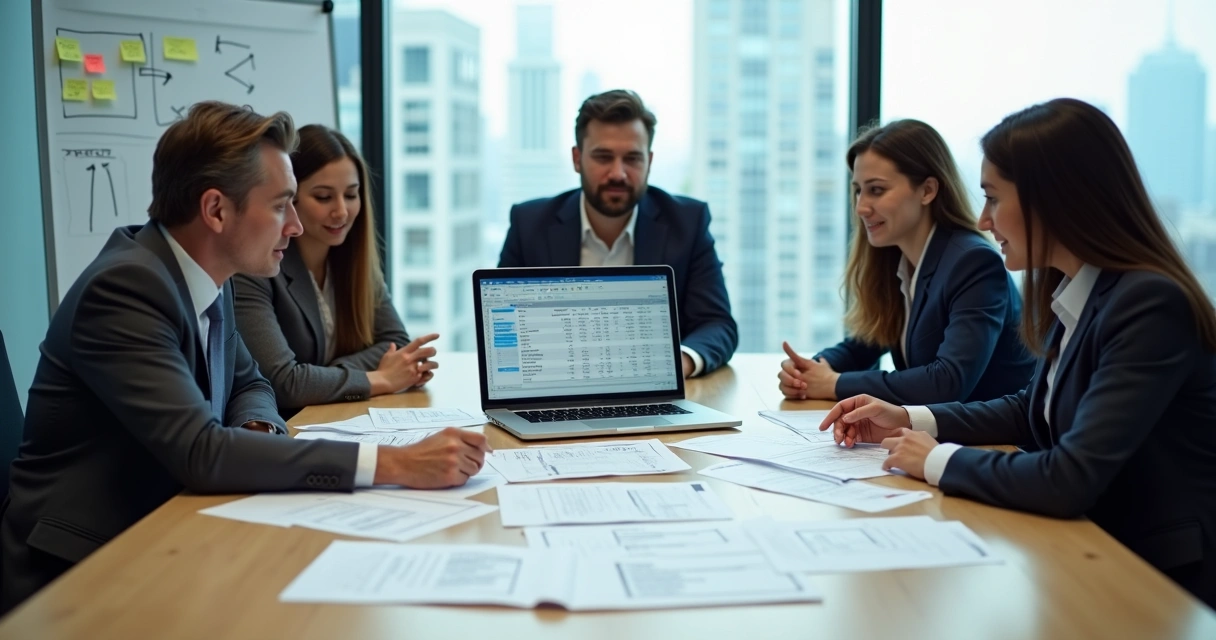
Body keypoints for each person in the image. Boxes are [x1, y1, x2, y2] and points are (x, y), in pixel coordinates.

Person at [0, 102, 489, 612]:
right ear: (215, 210)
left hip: (173, 525)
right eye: (282, 205)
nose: (297, 226)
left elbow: (252, 385)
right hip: (81, 567)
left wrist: (255, 435)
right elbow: (203, 452)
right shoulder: (127, 287)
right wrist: (398, 463)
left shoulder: (209, 276)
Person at [819, 98, 1216, 607]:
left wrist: (939, 459)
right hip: (1084, 548)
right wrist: (908, 418)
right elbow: (1030, 411)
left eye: (992, 198)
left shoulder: (1149, 304)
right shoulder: (1080, 291)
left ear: (1053, 198)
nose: (983, 221)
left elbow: (1069, 477)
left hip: (1152, 575)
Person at [779, 120, 1033, 404]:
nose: (861, 207)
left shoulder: (973, 262)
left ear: (927, 191)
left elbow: (947, 382)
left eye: (876, 190)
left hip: (998, 443)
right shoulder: (897, 256)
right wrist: (808, 370)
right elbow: (864, 343)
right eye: (858, 190)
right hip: (936, 436)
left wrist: (834, 384)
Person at [498, 89, 738, 377]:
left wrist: (678, 363)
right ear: (577, 159)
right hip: (556, 388)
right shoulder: (530, 223)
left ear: (649, 161)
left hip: (653, 394)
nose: (618, 174)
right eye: (603, 157)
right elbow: (503, 324)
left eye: (633, 159)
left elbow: (716, 323)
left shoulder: (687, 222)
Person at [233, 124, 436, 419]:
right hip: (286, 430)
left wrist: (317, 378)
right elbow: (283, 383)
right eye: (324, 197)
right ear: (290, 198)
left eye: (351, 195)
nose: (341, 211)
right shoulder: (256, 267)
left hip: (340, 417)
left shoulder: (355, 260)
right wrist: (377, 378)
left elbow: (397, 345)